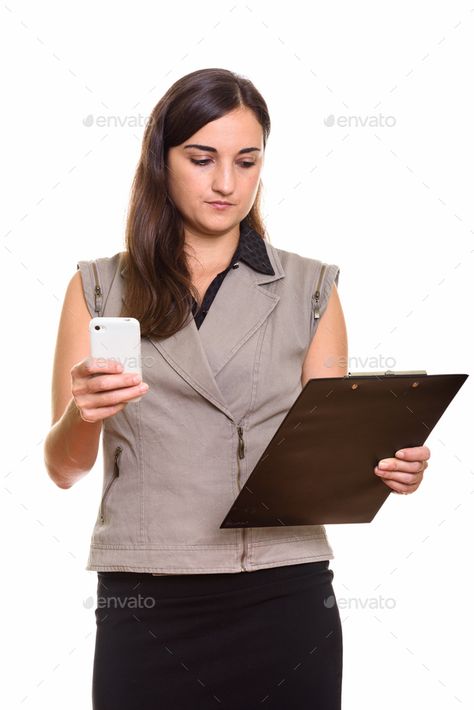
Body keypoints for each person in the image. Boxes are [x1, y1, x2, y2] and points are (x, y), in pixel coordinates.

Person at [44, 68, 431, 710]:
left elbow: (326, 448)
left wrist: (389, 465)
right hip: (147, 594)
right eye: (202, 159)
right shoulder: (98, 288)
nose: (227, 183)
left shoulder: (311, 289)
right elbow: (62, 470)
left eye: (246, 161)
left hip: (283, 590)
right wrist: (84, 414)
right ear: (160, 161)